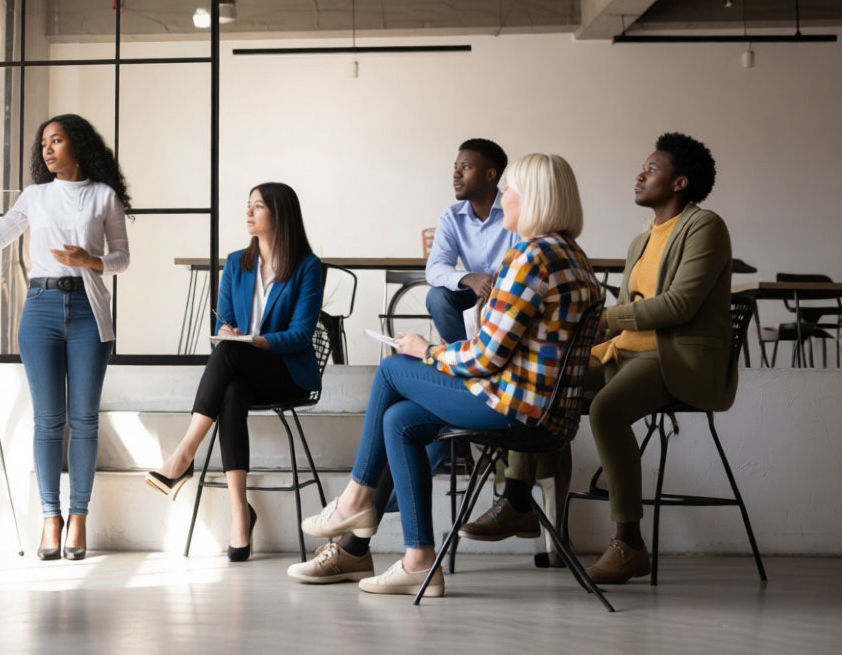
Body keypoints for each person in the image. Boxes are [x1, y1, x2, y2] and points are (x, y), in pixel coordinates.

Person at [299, 153, 600, 597]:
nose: (503, 198)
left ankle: (357, 499)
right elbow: (503, 349)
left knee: (393, 368)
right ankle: (418, 561)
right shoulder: (574, 258)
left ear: (532, 197)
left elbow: (486, 359)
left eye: (510, 190)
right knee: (398, 421)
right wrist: (441, 353)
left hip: (512, 408)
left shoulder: (530, 257)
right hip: (548, 416)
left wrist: (429, 350)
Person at [458, 133, 732, 586]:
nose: (640, 174)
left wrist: (607, 318)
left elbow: (679, 304)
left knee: (606, 410)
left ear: (680, 182)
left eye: (653, 169)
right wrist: (586, 347)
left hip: (676, 360)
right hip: (624, 354)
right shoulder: (642, 240)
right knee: (538, 380)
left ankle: (629, 543)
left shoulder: (705, 227)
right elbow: (623, 325)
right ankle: (520, 502)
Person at [0, 113, 130, 561]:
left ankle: (79, 517)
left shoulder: (104, 196)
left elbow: (121, 259)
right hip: (39, 310)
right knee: (46, 421)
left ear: (77, 145)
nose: (47, 149)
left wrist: (90, 260)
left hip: (87, 312)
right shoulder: (35, 197)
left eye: (56, 141)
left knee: (84, 420)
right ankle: (50, 518)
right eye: (43, 144)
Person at [144, 183, 323, 562]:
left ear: (280, 214)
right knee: (231, 390)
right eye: (248, 206)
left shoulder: (307, 267)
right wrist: (229, 335)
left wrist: (255, 342)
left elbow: (301, 335)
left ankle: (183, 455)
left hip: (286, 371)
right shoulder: (236, 264)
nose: (249, 212)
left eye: (258, 206)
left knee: (230, 357)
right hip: (243, 369)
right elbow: (222, 326)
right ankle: (241, 514)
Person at [425, 138, 519, 344]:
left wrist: (494, 286)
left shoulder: (514, 210)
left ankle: (480, 359)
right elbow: (434, 268)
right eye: (455, 167)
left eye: (465, 167)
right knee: (437, 297)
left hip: (511, 297)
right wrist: (469, 278)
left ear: (490, 175)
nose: (456, 174)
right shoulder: (452, 216)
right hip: (473, 295)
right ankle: (464, 359)